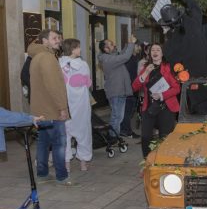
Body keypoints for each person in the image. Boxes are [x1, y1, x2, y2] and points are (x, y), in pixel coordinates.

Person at [28, 29, 71, 185]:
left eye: (59, 38)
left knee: (43, 142)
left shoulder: (36, 56)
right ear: (44, 41)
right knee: (59, 143)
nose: (58, 40)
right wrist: (62, 108)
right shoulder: (48, 58)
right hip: (52, 110)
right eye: (54, 38)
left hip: (40, 109)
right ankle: (62, 176)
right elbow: (54, 86)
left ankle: (42, 173)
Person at [132, 43, 180, 159]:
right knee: (146, 137)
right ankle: (147, 163)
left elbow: (177, 88)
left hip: (166, 107)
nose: (155, 51)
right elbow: (134, 87)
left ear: (162, 53)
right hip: (149, 107)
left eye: (158, 49)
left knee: (165, 137)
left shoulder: (168, 68)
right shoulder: (146, 68)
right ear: (149, 53)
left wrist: (162, 95)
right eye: (152, 50)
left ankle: (165, 161)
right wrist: (146, 73)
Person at [59, 38, 92, 172]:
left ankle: (66, 163)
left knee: (64, 134)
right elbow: (88, 83)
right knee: (83, 132)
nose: (80, 49)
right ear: (72, 49)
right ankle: (83, 162)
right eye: (78, 47)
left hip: (65, 103)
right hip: (81, 104)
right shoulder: (83, 65)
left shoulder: (58, 63)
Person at [98, 36, 136, 139]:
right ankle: (113, 138)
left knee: (119, 116)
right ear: (106, 49)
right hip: (116, 92)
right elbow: (125, 57)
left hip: (120, 91)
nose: (114, 45)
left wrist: (128, 43)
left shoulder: (112, 57)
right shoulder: (108, 59)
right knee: (116, 116)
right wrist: (131, 44)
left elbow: (122, 54)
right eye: (111, 44)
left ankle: (115, 136)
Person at [120, 42, 142, 139]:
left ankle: (125, 129)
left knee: (129, 110)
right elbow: (129, 75)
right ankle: (126, 131)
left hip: (133, 88)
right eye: (137, 46)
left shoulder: (133, 58)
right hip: (129, 88)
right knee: (127, 111)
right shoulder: (129, 59)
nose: (139, 48)